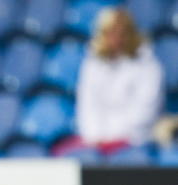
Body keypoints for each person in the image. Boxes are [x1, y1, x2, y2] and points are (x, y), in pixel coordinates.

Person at [64, 7, 163, 155]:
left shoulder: (148, 66)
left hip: (135, 138)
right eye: (110, 32)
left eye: (121, 33)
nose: (116, 38)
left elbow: (145, 110)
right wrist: (96, 136)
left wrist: (114, 136)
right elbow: (87, 105)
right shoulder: (92, 64)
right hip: (96, 139)